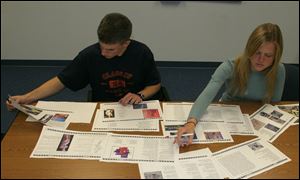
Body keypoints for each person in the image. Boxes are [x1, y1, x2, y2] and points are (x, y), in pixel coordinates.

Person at [6, 12, 161, 110]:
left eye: (110, 49)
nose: (103, 52)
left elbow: (155, 85)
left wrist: (140, 95)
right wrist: (27, 97)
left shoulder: (142, 53)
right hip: (103, 108)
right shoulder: (90, 55)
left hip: (137, 107)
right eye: (101, 46)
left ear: (125, 43)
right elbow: (61, 81)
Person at [174, 23, 285, 146]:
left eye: (268, 55)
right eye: (257, 52)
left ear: (276, 56)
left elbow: (274, 104)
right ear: (249, 49)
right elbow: (207, 95)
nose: (261, 59)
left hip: (257, 117)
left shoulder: (279, 71)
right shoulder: (230, 66)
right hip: (228, 113)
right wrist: (191, 123)